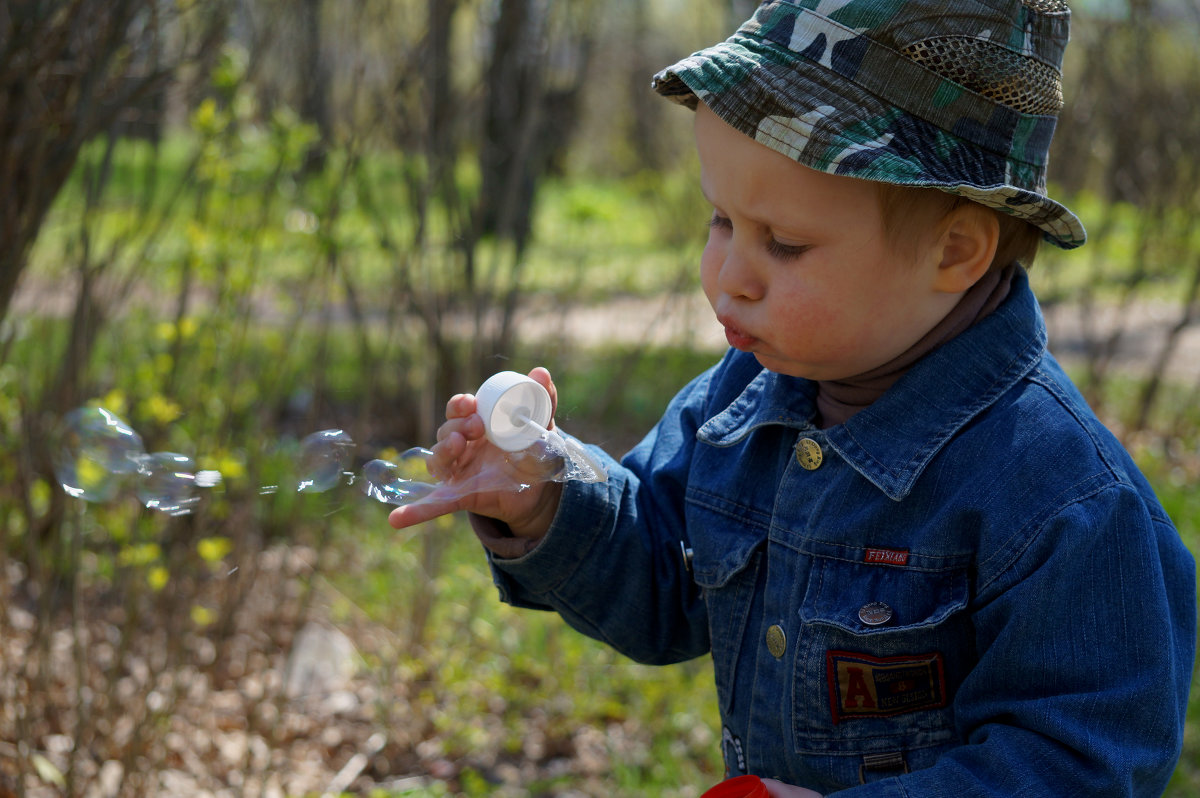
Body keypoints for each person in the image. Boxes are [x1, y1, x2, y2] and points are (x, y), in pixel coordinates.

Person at [389, 1, 1197, 795]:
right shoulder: (742, 401)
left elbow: (1083, 764)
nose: (729, 276)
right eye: (720, 221)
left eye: (784, 243)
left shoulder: (1065, 500)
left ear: (954, 251)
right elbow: (666, 586)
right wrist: (545, 502)